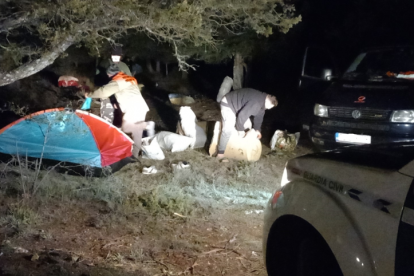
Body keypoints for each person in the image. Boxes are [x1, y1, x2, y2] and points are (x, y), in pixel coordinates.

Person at [86, 64, 149, 158]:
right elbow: (125, 93)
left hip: (133, 109)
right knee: (136, 133)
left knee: (124, 129)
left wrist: (89, 94)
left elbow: (103, 92)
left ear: (110, 74)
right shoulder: (129, 79)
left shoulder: (118, 81)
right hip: (141, 107)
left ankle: (120, 150)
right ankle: (135, 155)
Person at [216, 88, 278, 159]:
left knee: (248, 125)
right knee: (228, 128)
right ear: (268, 98)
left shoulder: (262, 103)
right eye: (269, 106)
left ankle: (239, 147)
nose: (267, 108)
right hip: (228, 103)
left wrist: (257, 130)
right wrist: (240, 130)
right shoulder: (257, 102)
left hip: (238, 108)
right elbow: (241, 116)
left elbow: (259, 118)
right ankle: (220, 153)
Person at [97, 46, 132, 125]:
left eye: (118, 56)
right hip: (107, 95)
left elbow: (130, 80)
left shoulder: (124, 66)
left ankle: (117, 131)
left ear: (121, 56)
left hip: (120, 95)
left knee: (119, 117)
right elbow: (98, 79)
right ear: (111, 55)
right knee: (107, 117)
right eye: (114, 55)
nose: (115, 58)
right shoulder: (104, 63)